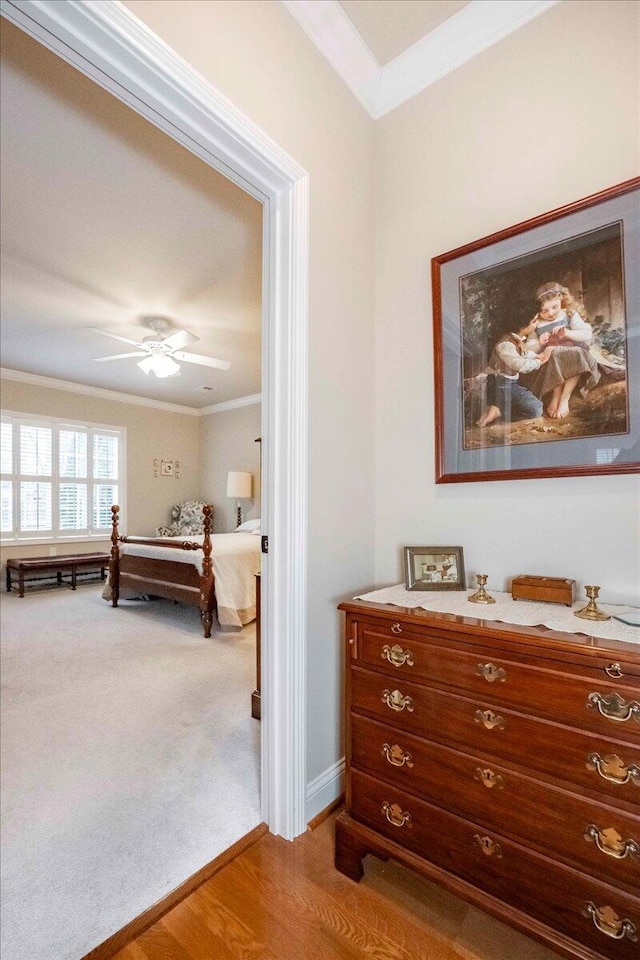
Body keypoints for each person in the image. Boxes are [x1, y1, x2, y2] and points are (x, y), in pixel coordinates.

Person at [523, 281, 600, 418]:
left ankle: (565, 397)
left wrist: (568, 334)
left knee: (575, 355)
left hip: (574, 354)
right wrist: (539, 343)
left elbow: (587, 333)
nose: (550, 313)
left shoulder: (568, 314)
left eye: (554, 307)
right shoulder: (537, 324)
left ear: (561, 299)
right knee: (554, 354)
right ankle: (556, 396)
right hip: (552, 361)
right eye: (544, 310)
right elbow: (529, 348)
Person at [476, 313, 553, 428]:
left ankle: (495, 407)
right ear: (522, 327)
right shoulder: (506, 344)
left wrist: (536, 356)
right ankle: (499, 411)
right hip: (501, 385)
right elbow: (520, 365)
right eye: (534, 321)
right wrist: (540, 362)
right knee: (536, 409)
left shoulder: (514, 339)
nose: (537, 323)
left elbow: (523, 353)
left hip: (502, 383)